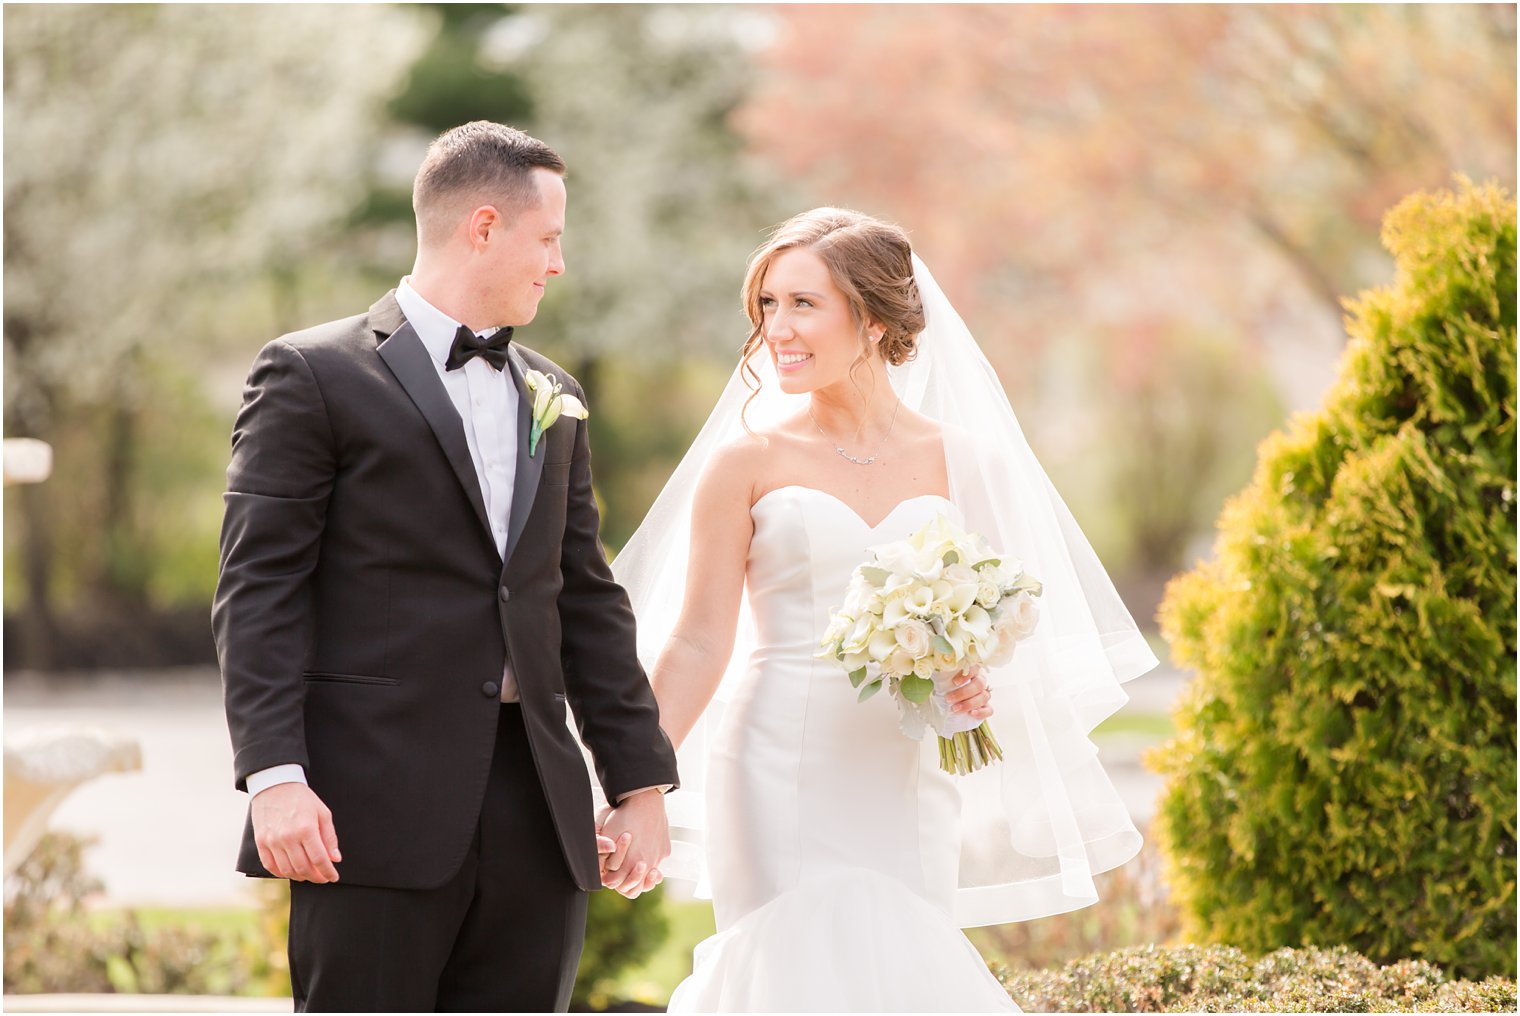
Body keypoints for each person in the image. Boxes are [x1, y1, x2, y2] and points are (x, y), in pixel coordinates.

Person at [610, 208, 1160, 1011]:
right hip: (775, 764)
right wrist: (641, 784)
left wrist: (968, 689)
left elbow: (1003, 640)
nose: (777, 329)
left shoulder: (966, 462)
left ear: (871, 321)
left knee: (903, 972)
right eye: (767, 304)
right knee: (788, 970)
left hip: (906, 767)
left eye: (804, 304)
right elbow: (697, 641)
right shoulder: (746, 463)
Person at [213, 122, 678, 1013]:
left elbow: (582, 598)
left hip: (536, 812)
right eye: (549, 239)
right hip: (369, 808)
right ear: (485, 226)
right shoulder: (311, 374)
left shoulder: (555, 393)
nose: (558, 263)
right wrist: (275, 778)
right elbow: (257, 590)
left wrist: (637, 780)